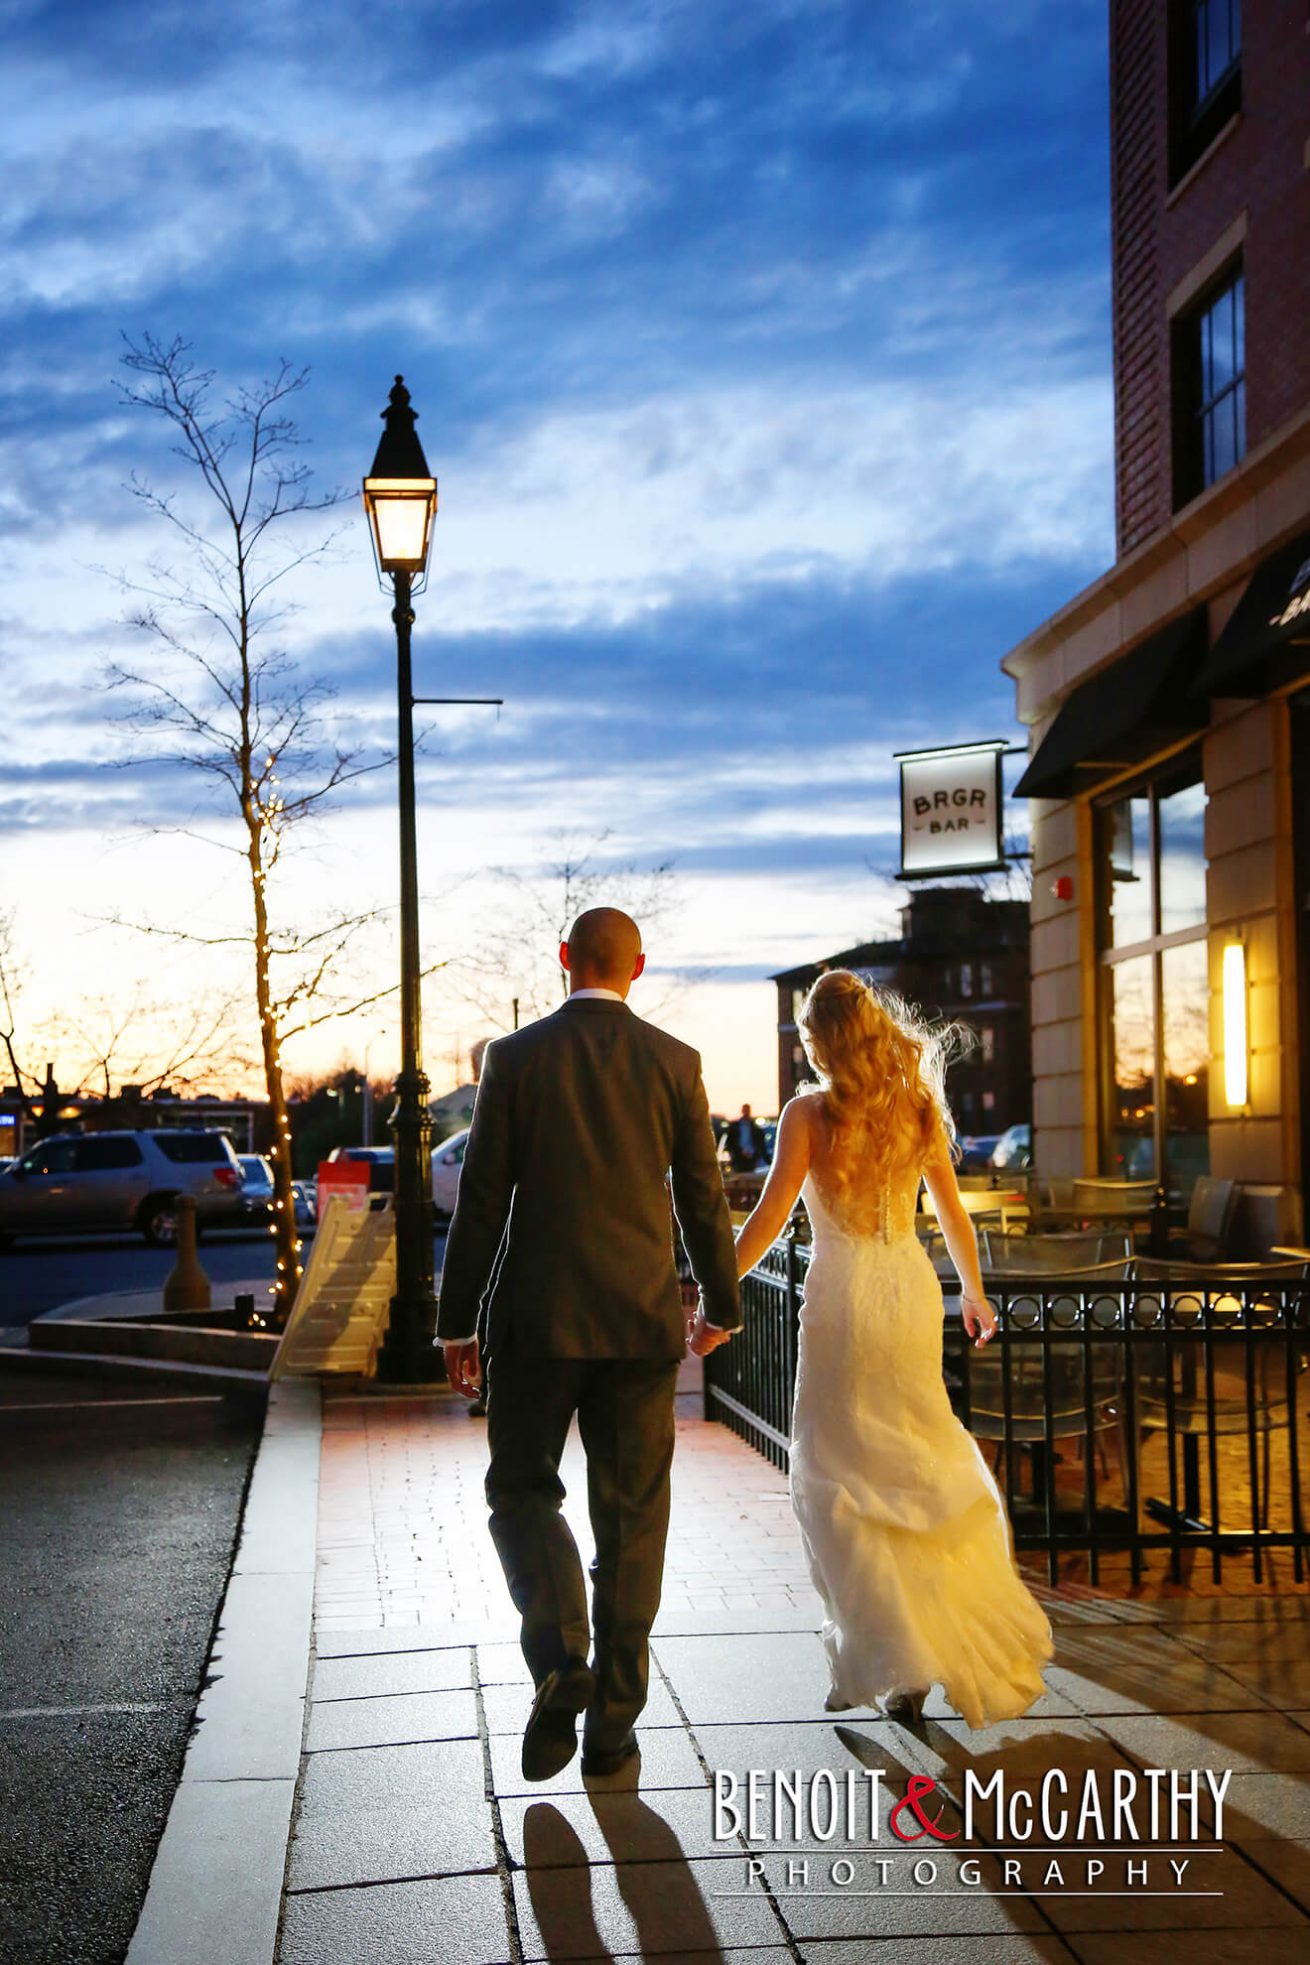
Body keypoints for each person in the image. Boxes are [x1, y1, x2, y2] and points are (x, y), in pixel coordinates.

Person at [697, 969, 1052, 1730]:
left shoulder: (808, 1114)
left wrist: (717, 1297)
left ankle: (875, 1653)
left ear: (818, 1038)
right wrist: (976, 1292)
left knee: (838, 1476)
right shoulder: (915, 1104)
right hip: (911, 1291)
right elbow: (953, 1213)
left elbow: (766, 1219)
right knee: (914, 1463)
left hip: (845, 1301)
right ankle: (902, 1659)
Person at [438, 906, 741, 1781]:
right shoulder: (675, 1063)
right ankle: (613, 1722)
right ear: (638, 967)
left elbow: (483, 1200)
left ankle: (562, 1656)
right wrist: (719, 1303)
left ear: (565, 958)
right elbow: (702, 1198)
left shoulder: (516, 1057)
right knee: (633, 1516)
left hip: (536, 1322)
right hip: (641, 1324)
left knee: (522, 1490)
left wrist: (457, 1320)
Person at [724, 1102, 766, 1174]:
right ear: (742, 1111)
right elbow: (730, 1143)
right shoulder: (734, 1127)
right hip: (738, 1158)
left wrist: (755, 1154)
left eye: (747, 1110)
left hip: (752, 1158)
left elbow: (760, 1144)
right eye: (745, 1110)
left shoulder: (756, 1128)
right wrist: (737, 1152)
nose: (746, 1112)